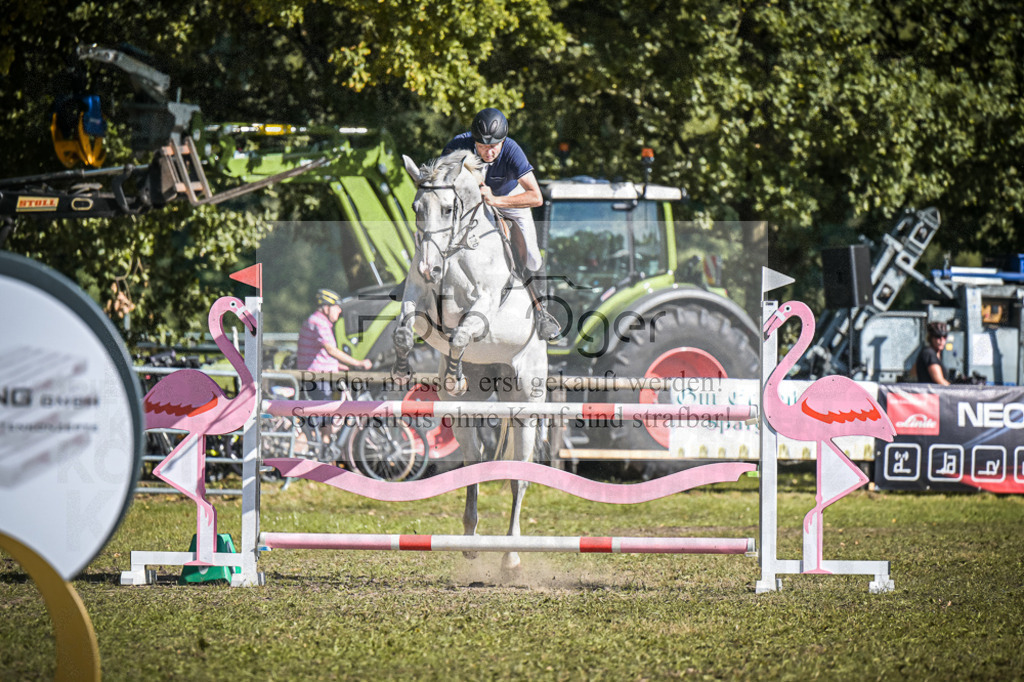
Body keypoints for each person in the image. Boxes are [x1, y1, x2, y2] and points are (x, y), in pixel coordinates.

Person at [440, 108, 561, 341]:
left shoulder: (512, 151)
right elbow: (441, 182)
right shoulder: (458, 146)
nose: (489, 151)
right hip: (469, 205)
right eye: (483, 146)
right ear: (474, 140)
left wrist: (496, 200)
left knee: (533, 256)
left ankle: (542, 313)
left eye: (495, 145)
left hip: (508, 200)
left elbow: (536, 196)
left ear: (503, 141)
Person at [297, 288, 372, 402]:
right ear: (326, 308)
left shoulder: (317, 321)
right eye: (336, 307)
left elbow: (317, 354)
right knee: (323, 413)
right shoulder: (318, 322)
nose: (339, 311)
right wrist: (358, 363)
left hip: (319, 375)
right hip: (318, 378)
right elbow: (331, 350)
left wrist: (340, 366)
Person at [915, 321, 950, 385]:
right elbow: (939, 381)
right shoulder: (928, 353)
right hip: (929, 394)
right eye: (938, 336)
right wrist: (955, 391)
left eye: (944, 336)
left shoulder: (937, 354)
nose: (942, 340)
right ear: (930, 338)